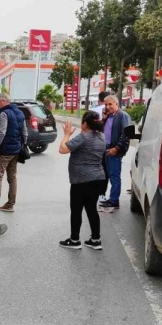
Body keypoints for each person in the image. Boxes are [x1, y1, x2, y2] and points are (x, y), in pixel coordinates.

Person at [58, 112, 107, 250]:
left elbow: (62, 149)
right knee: (92, 209)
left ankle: (74, 240)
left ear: (85, 124)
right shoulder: (102, 137)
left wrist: (67, 134)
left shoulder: (83, 137)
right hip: (98, 178)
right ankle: (95, 240)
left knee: (76, 210)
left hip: (81, 180)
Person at [0, 93, 27, 215]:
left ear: (3, 101)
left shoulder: (3, 113)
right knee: (12, 177)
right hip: (16, 150)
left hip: (5, 151)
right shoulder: (20, 112)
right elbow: (25, 133)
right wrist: (22, 146)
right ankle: (10, 204)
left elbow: (2, 132)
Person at [99, 95, 131, 211]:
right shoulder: (108, 116)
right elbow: (101, 130)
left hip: (114, 151)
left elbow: (126, 135)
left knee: (114, 176)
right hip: (106, 149)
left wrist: (116, 148)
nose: (107, 107)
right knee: (108, 175)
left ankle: (114, 201)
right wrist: (103, 119)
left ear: (117, 104)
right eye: (106, 105)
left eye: (110, 104)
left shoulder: (123, 116)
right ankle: (111, 199)